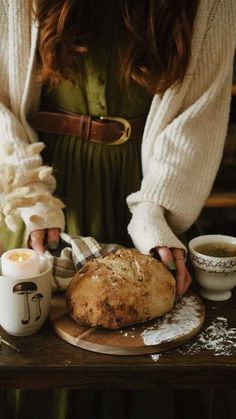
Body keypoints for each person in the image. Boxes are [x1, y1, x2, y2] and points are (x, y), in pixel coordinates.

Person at [0, 1, 235, 418]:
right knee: (37, 354)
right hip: (41, 182)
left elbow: (198, 113)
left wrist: (156, 210)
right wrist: (31, 194)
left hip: (155, 182)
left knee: (154, 362)